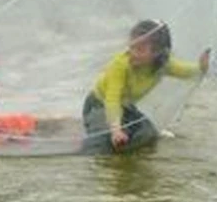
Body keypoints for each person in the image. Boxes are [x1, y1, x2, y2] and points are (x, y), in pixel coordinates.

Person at [81, 19, 209, 154]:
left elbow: (188, 72)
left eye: (140, 49)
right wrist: (116, 130)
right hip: (99, 105)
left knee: (147, 135)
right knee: (104, 144)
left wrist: (202, 66)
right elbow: (112, 100)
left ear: (157, 52)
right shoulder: (120, 65)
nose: (133, 53)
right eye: (131, 46)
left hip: (126, 107)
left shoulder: (162, 65)